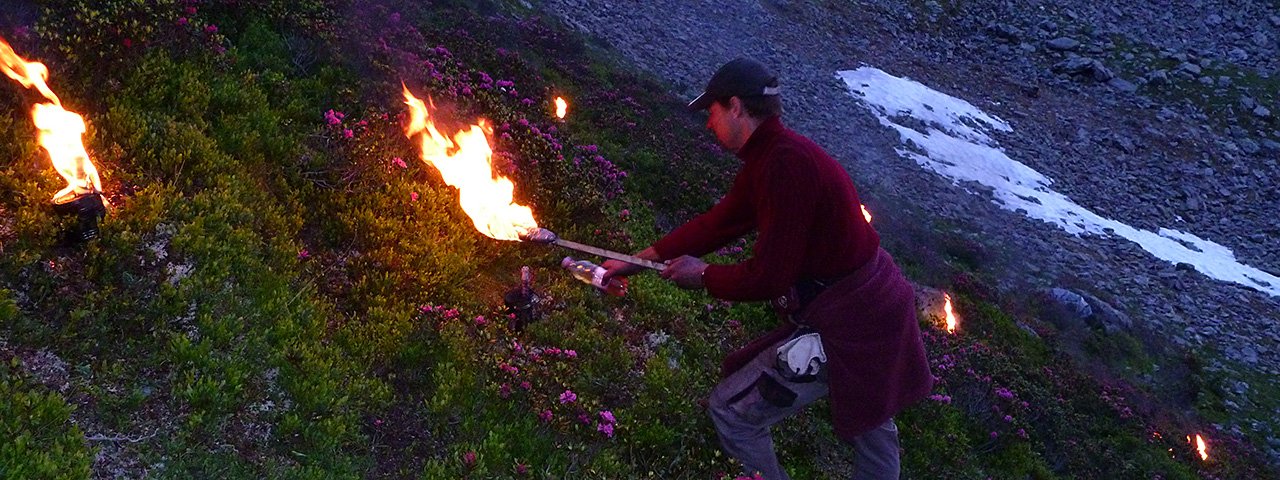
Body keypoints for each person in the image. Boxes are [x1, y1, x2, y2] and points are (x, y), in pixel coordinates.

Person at [602, 58, 933, 480]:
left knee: (732, 412)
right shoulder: (777, 157)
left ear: (736, 106)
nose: (709, 125)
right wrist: (637, 260)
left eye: (713, 113)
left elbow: (770, 276)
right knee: (872, 421)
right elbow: (719, 224)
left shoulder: (784, 166)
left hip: (850, 316)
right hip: (877, 307)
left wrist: (702, 276)